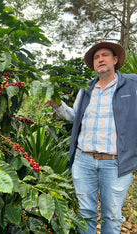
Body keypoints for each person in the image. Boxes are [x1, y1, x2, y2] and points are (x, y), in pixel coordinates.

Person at [45, 40, 137, 234]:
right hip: (84, 160)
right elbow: (73, 116)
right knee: (85, 213)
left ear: (115, 60)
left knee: (112, 217)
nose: (100, 59)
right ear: (93, 65)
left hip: (116, 163)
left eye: (105, 55)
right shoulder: (85, 88)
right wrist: (57, 105)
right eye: (96, 57)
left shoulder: (132, 85)